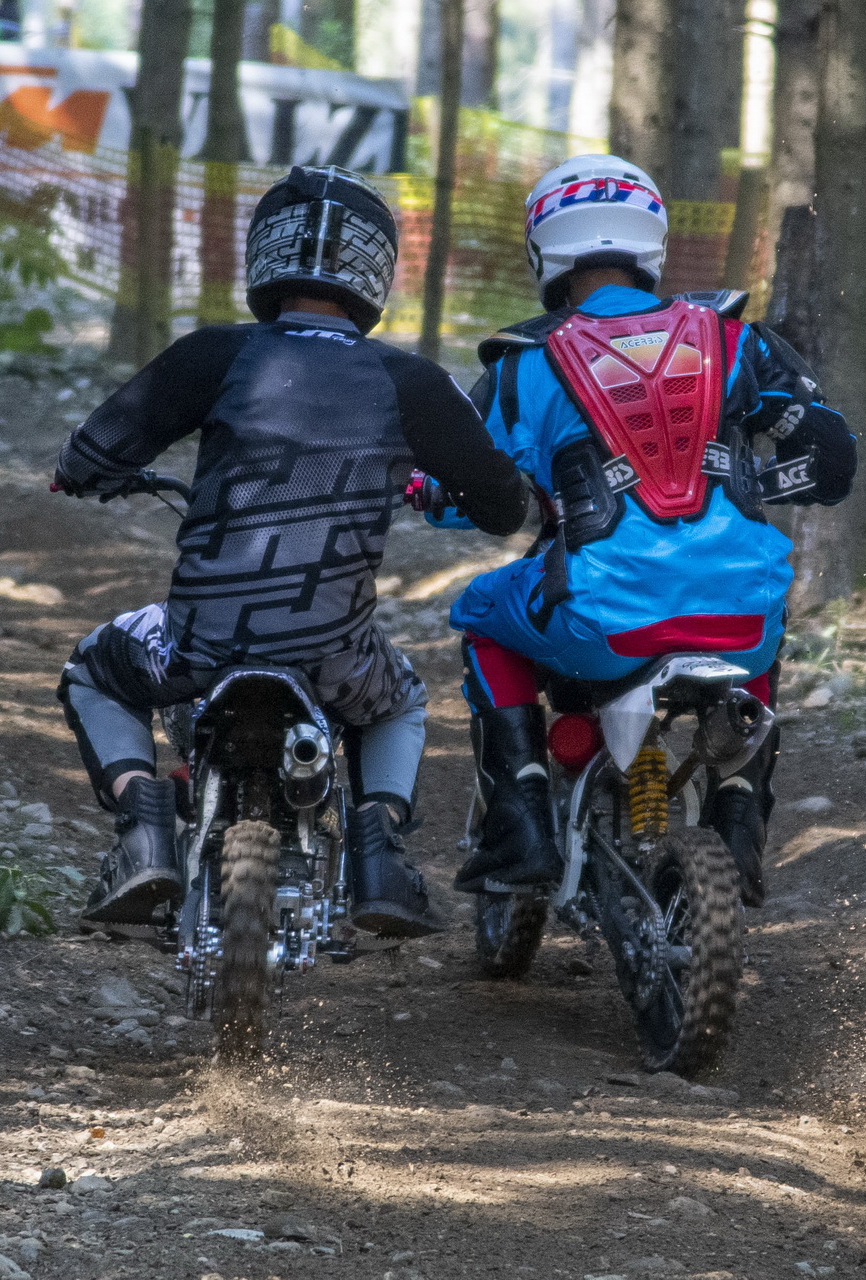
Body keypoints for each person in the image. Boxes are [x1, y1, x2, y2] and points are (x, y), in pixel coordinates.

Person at [53, 165, 528, 936]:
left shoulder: (214, 355)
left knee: (92, 669)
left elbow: (97, 449)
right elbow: (506, 505)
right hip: (334, 657)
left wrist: (74, 474)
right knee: (403, 696)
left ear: (264, 255)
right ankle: (380, 850)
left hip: (197, 647)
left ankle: (144, 825)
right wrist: (465, 497)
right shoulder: (407, 380)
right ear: (375, 271)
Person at [426, 154, 856, 906]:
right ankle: (741, 811)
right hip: (740, 626)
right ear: (649, 242)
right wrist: (757, 477)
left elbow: (468, 489)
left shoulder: (523, 363)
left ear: (544, 250)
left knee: (484, 615)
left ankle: (522, 819)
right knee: (755, 590)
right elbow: (834, 459)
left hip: (604, 618)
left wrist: (424, 492)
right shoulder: (734, 338)